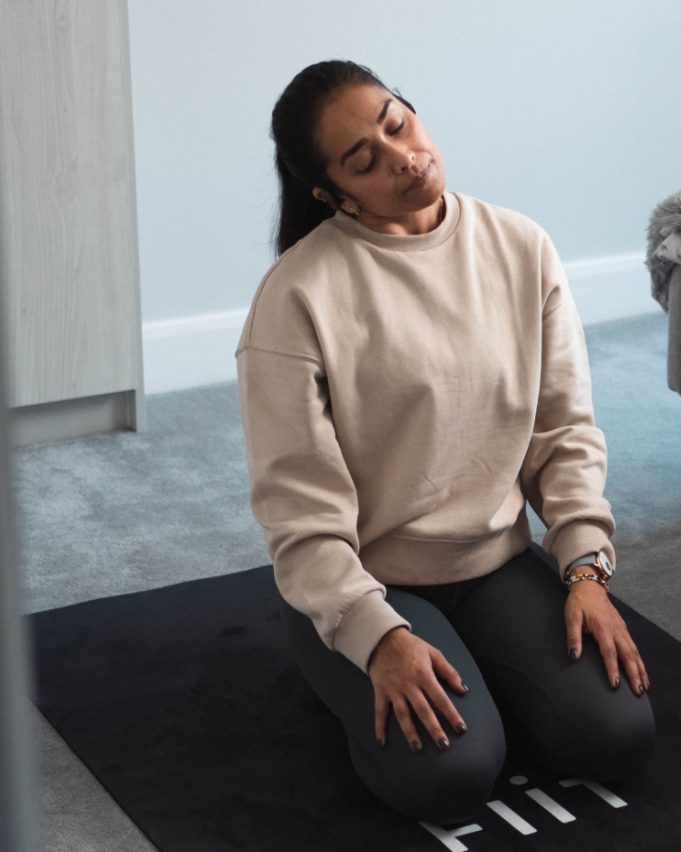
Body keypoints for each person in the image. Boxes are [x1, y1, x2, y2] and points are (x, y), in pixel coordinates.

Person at [235, 59, 655, 826]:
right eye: (365, 160)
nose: (403, 157)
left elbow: (563, 431)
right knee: (451, 778)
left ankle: (488, 675)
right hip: (366, 578)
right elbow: (300, 514)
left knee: (615, 732)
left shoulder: (520, 247)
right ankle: (338, 667)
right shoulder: (296, 298)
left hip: (492, 565)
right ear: (331, 192)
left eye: (398, 124)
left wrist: (586, 568)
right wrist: (374, 636)